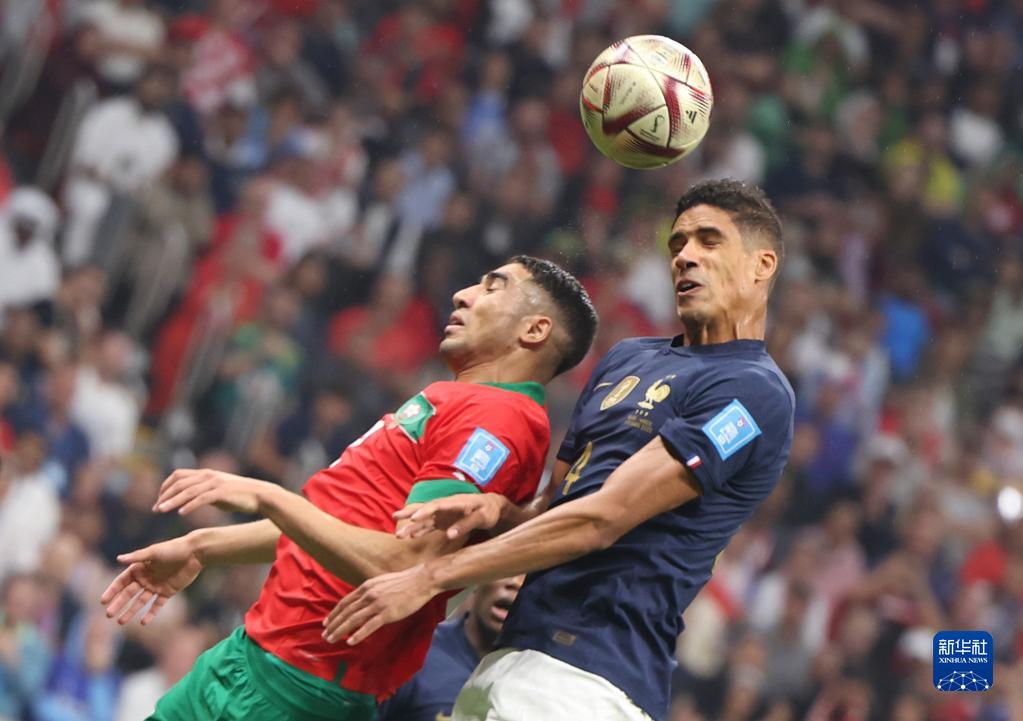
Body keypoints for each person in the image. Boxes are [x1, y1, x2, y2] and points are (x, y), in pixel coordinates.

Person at [324, 179, 796, 721]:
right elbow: (558, 509)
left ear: (762, 265)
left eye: (709, 241)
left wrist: (431, 576)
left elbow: (601, 519)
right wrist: (501, 512)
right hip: (511, 654)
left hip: (588, 681)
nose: (685, 256)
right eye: (677, 244)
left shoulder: (753, 392)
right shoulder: (627, 360)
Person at [100, 255, 597, 721]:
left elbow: (405, 567)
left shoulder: (497, 422)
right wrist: (202, 546)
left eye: (493, 288)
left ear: (534, 330)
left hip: (299, 690)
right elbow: (337, 526)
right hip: (254, 655)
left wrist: (270, 497)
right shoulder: (465, 399)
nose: (463, 295)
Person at [377, 576, 524, 721]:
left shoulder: (531, 687)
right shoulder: (414, 654)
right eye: (510, 571)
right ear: (477, 582)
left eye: (529, 577)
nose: (516, 583)